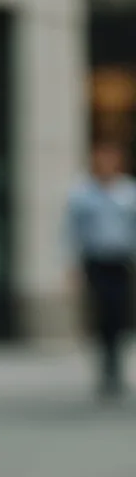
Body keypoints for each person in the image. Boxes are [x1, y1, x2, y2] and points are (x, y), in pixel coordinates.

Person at [65, 137, 136, 398]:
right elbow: (72, 231)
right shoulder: (82, 194)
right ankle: (105, 367)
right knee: (101, 314)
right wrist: (72, 266)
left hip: (121, 261)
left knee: (119, 313)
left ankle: (116, 366)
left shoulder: (128, 193)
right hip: (95, 262)